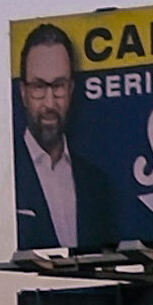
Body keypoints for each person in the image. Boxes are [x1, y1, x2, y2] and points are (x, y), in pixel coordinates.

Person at [15, 23, 117, 252]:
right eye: (39, 87)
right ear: (23, 92)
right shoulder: (13, 175)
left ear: (71, 89)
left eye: (58, 86)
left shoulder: (95, 183)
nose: (49, 103)